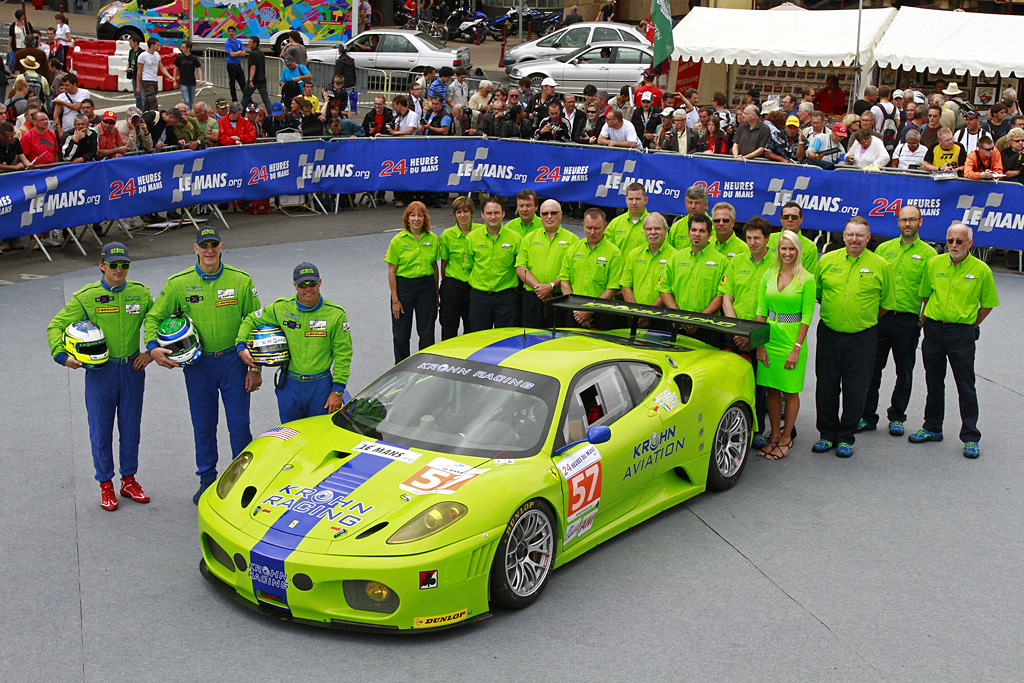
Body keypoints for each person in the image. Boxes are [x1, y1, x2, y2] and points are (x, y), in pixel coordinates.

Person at [144, 227, 262, 504]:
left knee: (239, 425)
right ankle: (207, 479)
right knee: (204, 425)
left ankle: (242, 480)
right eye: (203, 246)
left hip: (234, 363)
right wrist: (153, 348)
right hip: (199, 367)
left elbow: (257, 324)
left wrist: (255, 369)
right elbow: (152, 318)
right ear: (195, 248)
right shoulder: (178, 284)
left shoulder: (242, 281)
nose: (209, 250)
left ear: (221, 247)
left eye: (214, 245)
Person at [46, 243, 153, 511]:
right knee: (101, 430)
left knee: (131, 429)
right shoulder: (86, 297)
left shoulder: (140, 294)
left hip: (132, 370)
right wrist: (61, 356)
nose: (119, 270)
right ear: (102, 265)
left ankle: (129, 480)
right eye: (114, 265)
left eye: (124, 265)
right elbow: (56, 325)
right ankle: (105, 484)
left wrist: (150, 353)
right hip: (100, 373)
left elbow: (157, 321)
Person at [909, 224, 1000, 459]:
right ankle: (932, 427)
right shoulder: (934, 264)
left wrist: (970, 326)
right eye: (950, 241)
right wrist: (924, 321)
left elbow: (987, 304)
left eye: (959, 242)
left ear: (970, 243)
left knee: (965, 385)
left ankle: (970, 436)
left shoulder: (981, 270)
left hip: (962, 334)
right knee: (934, 382)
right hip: (935, 330)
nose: (954, 246)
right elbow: (926, 295)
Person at [812, 217, 896, 458]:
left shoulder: (881, 266)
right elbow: (818, 294)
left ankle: (846, 436)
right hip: (829, 333)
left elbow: (886, 304)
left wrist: (860, 318)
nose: (855, 239)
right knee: (826, 385)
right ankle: (827, 434)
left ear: (868, 238)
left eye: (860, 235)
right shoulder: (826, 261)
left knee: (855, 388)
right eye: (850, 234)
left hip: (863, 337)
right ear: (843, 235)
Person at [237, 263, 352, 422]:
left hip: (320, 386)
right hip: (289, 386)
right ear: (294, 285)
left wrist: (337, 391)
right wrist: (241, 345)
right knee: (291, 439)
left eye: (312, 283)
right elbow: (250, 320)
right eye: (302, 284)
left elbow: (343, 355)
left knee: (317, 439)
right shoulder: (281, 308)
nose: (307, 288)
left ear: (320, 282)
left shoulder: (336, 314)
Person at [860, 205, 937, 438]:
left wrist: (921, 320)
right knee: (872, 370)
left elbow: (933, 291)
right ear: (898, 222)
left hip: (909, 322)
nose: (907, 224)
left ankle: (897, 417)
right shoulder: (883, 249)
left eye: (912, 220)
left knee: (904, 371)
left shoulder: (929, 255)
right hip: (881, 319)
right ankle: (867, 416)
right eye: (904, 220)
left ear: (920, 222)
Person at [721, 216, 774, 446]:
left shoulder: (777, 264)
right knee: (732, 381)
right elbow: (727, 298)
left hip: (763, 334)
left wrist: (753, 336)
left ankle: (758, 429)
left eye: (757, 238)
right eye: (749, 238)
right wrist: (738, 331)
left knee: (760, 384)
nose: (752, 242)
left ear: (767, 239)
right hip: (735, 331)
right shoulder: (735, 262)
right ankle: (731, 427)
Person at [656, 214, 726, 347]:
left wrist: (699, 319)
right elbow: (664, 289)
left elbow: (721, 294)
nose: (697, 234)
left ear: (710, 234)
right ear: (688, 232)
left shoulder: (722, 261)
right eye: (693, 230)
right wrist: (679, 315)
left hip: (707, 327)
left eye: (702, 231)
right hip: (675, 325)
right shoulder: (676, 258)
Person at [385, 202, 439, 363]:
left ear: (425, 219)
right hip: (404, 288)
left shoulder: (433, 239)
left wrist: (435, 292)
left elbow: (434, 267)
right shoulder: (397, 240)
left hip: (426, 287)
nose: (416, 219)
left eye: (420, 215)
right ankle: (401, 368)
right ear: (407, 219)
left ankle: (426, 366)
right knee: (401, 334)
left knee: (427, 332)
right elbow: (391, 271)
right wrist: (395, 299)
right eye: (413, 215)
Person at [516, 199, 578, 328]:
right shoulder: (529, 239)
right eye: (545, 213)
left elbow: (572, 271)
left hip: (559, 298)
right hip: (533, 297)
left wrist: (551, 286)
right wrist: (540, 288)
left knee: (558, 340)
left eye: (553, 213)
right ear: (540, 216)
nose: (549, 217)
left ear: (561, 215)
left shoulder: (573, 240)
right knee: (530, 340)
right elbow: (521, 268)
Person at [558, 208, 622, 330]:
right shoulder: (573, 249)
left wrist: (589, 310)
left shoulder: (614, 253)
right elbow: (564, 281)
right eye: (588, 228)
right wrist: (577, 310)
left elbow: (612, 288)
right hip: (574, 312)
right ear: (583, 226)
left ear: (605, 226)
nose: (592, 232)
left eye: (597, 228)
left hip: (602, 313)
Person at [465, 197, 521, 331]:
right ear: (482, 215)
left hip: (506, 297)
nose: (493, 216)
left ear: (503, 214)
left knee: (506, 340)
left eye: (496, 213)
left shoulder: (516, 238)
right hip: (480, 297)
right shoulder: (471, 238)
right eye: (489, 213)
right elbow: (469, 266)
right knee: (479, 339)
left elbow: (519, 266)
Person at [438, 196, 484, 339]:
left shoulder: (482, 231)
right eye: (459, 212)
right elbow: (444, 263)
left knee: (472, 327)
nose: (462, 215)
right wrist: (445, 284)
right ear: (454, 214)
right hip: (453, 286)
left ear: (471, 213)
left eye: (466, 211)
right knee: (449, 326)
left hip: (474, 285)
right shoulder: (447, 235)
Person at [620, 212, 674, 308]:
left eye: (657, 228)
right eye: (648, 229)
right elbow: (625, 286)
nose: (653, 232)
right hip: (634, 313)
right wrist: (636, 312)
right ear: (644, 231)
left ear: (665, 231)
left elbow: (670, 290)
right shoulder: (634, 254)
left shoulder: (675, 257)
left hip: (662, 316)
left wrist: (649, 313)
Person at [767, 202, 818, 274]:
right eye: (786, 217)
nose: (790, 219)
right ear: (781, 219)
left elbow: (808, 276)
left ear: (801, 219)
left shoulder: (810, 247)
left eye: (794, 217)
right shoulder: (768, 239)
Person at [605, 183, 650, 256]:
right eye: (631, 199)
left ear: (645, 200)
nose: (634, 203)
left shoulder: (656, 224)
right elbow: (606, 250)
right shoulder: (615, 224)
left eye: (638, 199)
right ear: (626, 200)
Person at [667, 185, 710, 250]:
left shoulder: (714, 227)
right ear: (685, 203)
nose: (693, 206)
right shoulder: (676, 227)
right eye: (690, 202)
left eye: (697, 203)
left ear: (705, 205)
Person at [137, 39, 172, 113]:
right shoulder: (143, 56)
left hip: (154, 80)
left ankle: (144, 113)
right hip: (147, 80)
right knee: (152, 99)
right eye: (157, 45)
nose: (159, 46)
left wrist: (169, 76)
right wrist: (138, 85)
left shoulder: (157, 55)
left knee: (148, 100)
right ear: (152, 45)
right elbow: (139, 71)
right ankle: (156, 114)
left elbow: (161, 67)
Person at [52, 72, 91, 138]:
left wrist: (62, 102)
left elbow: (77, 107)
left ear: (74, 84)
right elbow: (55, 115)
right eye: (64, 85)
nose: (65, 88)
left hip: (82, 129)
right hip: (66, 129)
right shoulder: (61, 96)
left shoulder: (84, 93)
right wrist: (60, 130)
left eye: (67, 85)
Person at [240, 36, 271, 112]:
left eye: (250, 42)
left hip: (254, 80)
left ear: (255, 44)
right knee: (265, 98)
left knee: (245, 99)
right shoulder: (261, 53)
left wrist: (250, 80)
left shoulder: (252, 54)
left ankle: (241, 115)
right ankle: (271, 114)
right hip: (262, 79)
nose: (248, 43)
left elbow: (253, 67)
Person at [173, 41, 202, 111]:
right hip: (183, 81)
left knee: (191, 100)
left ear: (188, 48)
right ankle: (188, 113)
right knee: (187, 100)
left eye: (183, 47)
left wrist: (200, 79)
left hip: (192, 82)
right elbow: (175, 68)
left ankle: (189, 111)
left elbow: (199, 69)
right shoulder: (180, 58)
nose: (181, 48)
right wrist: (174, 80)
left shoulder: (194, 58)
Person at [223, 26, 246, 102]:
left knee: (242, 82)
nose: (231, 33)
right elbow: (231, 54)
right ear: (228, 32)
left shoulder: (239, 42)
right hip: (231, 65)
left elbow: (244, 53)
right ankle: (234, 99)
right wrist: (239, 52)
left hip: (238, 64)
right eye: (230, 32)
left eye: (232, 31)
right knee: (232, 83)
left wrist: (238, 53)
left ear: (235, 32)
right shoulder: (228, 43)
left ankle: (247, 98)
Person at [125, 36, 144, 110]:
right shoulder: (131, 51)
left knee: (141, 94)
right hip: (133, 74)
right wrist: (128, 68)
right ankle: (139, 109)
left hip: (139, 75)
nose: (130, 44)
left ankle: (143, 109)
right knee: (136, 95)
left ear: (136, 42)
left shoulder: (141, 52)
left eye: (131, 42)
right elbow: (129, 61)